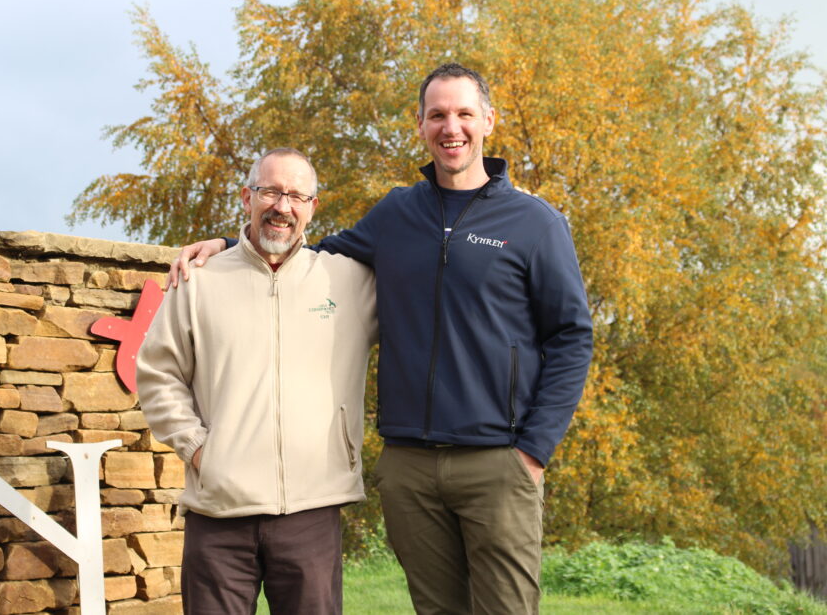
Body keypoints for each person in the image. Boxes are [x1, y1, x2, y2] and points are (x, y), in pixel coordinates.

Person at [166, 63, 594, 614]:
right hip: (409, 465)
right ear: (420, 124)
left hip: (499, 460)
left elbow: (571, 336)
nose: (451, 127)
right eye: (437, 114)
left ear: (487, 120)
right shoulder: (398, 212)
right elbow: (310, 256)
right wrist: (233, 242)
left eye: (464, 113)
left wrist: (535, 449)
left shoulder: (536, 223)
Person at [136, 148, 377, 615]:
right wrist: (200, 449)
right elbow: (158, 372)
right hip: (219, 513)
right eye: (270, 191)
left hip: (314, 508)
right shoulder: (199, 279)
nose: (282, 206)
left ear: (313, 206)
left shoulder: (348, 280)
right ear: (247, 197)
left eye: (296, 195)